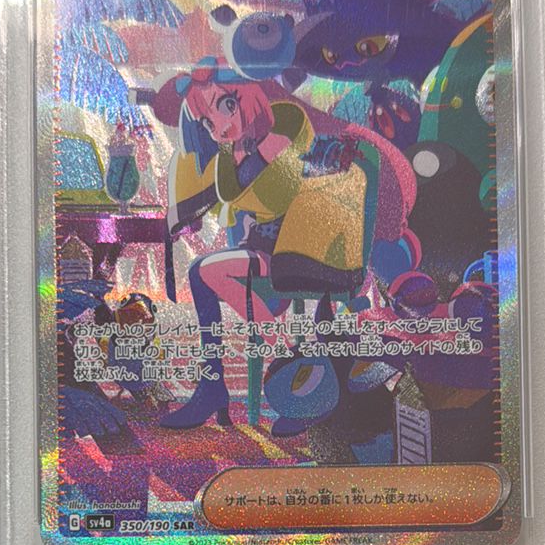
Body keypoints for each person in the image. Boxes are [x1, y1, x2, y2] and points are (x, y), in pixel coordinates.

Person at [152, 57, 405, 429]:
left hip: (292, 248)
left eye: (225, 106)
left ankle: (274, 352)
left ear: (247, 95)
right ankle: (233, 376)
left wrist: (204, 197)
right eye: (207, 121)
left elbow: (264, 190)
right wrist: (184, 211)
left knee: (203, 273)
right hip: (265, 249)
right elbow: (226, 192)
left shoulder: (280, 135)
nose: (219, 125)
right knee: (202, 274)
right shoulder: (236, 149)